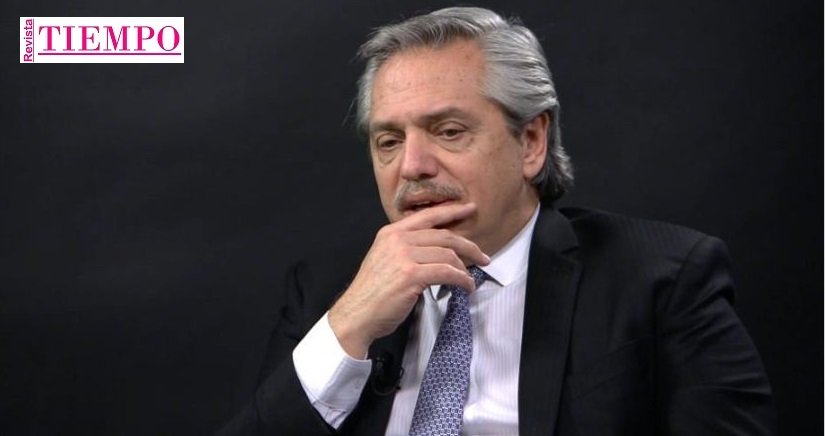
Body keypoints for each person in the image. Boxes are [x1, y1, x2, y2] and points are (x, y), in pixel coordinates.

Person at [218, 6, 775, 435]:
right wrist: (348, 327)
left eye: (448, 131)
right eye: (389, 141)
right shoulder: (328, 291)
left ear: (531, 142)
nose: (411, 166)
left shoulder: (659, 278)